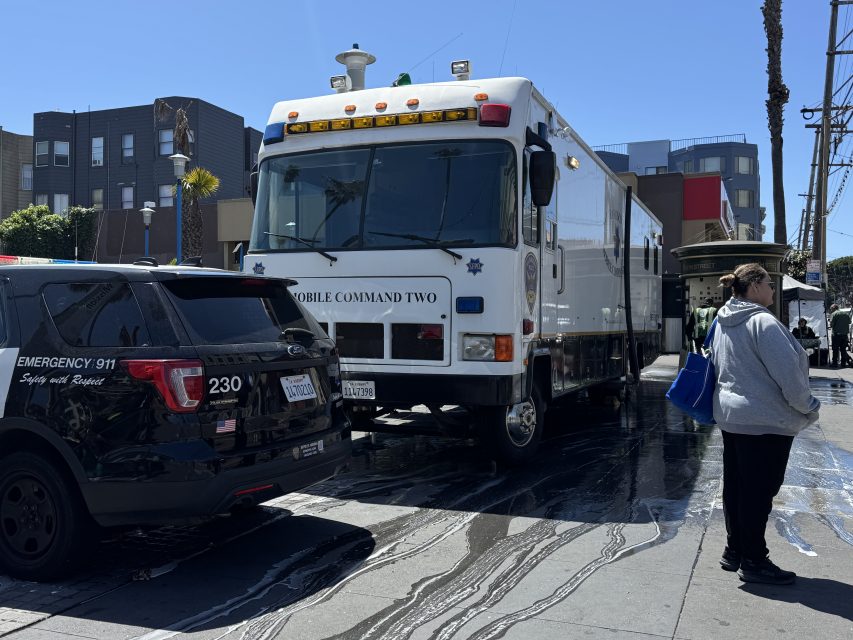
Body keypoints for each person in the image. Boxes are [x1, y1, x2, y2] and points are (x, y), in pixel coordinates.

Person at [710, 264, 820, 585]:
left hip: (732, 417)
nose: (773, 290)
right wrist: (809, 407)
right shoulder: (762, 322)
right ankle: (755, 560)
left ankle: (735, 550)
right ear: (755, 285)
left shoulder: (723, 320)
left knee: (737, 487)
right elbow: (790, 377)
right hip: (764, 420)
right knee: (759, 492)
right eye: (770, 284)